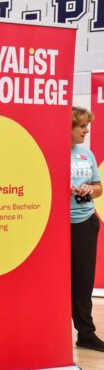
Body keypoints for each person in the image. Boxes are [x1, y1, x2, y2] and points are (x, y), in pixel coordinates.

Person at [70, 106, 104, 352]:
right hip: (58, 228)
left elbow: (99, 186)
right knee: (56, 284)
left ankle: (86, 334)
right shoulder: (52, 154)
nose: (87, 130)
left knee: (83, 282)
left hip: (85, 224)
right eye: (82, 126)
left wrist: (90, 190)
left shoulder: (87, 154)